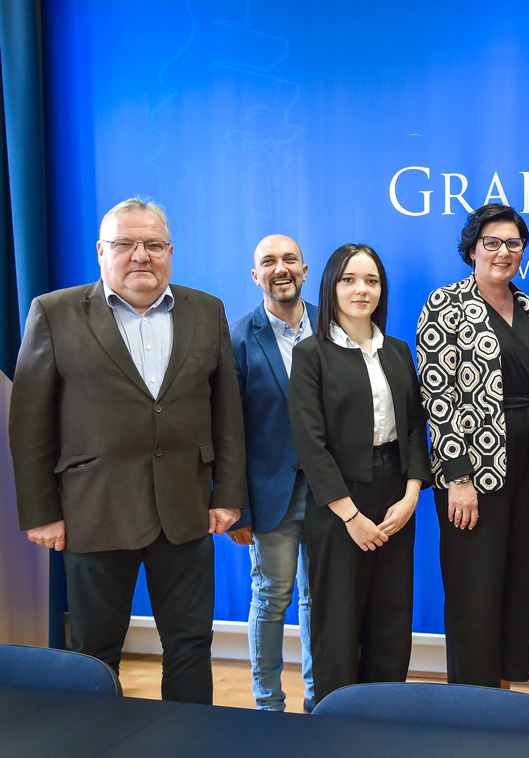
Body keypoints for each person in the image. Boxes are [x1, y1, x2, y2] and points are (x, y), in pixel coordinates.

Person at [9, 197, 245, 703]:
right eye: (125, 244)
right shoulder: (54, 312)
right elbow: (29, 424)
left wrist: (227, 494)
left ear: (170, 252)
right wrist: (41, 512)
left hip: (184, 511)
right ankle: (95, 739)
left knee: (190, 644)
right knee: (95, 653)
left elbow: (227, 413)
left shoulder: (206, 310)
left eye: (153, 245)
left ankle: (189, 736)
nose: (141, 255)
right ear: (101, 251)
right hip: (93, 511)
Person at [288, 243, 431, 703]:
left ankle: (385, 717)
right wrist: (350, 516)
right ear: (331, 286)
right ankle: (337, 723)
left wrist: (411, 496)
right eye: (349, 280)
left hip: (395, 495)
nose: (361, 290)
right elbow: (311, 445)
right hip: (338, 502)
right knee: (339, 620)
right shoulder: (311, 354)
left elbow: (415, 427)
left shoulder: (398, 351)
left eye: (371, 281)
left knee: (391, 616)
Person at [417, 204, 529, 688]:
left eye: (513, 243)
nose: (503, 252)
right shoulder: (445, 304)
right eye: (492, 243)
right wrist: (458, 478)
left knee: (521, 584)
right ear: (472, 248)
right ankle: (472, 703)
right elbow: (438, 397)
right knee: (474, 590)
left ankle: (505, 693)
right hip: (475, 473)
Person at [227, 234, 317, 712]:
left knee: (319, 600)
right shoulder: (238, 338)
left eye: (289, 259)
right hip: (270, 496)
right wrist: (237, 507)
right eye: (268, 261)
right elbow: (229, 430)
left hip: (331, 494)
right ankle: (268, 706)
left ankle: (319, 700)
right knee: (271, 598)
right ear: (255, 275)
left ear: (305, 270)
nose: (280, 268)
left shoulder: (336, 324)